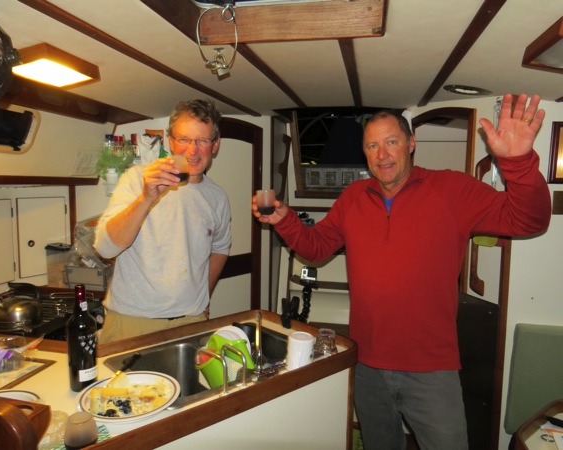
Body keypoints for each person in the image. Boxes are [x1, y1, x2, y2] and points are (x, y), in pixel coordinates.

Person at [252, 93, 551, 450]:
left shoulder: (452, 189)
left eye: (391, 142)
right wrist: (284, 220)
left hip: (432, 369)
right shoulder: (353, 197)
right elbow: (316, 248)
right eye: (372, 146)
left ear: (411, 143)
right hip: (367, 364)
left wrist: (518, 163)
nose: (382, 154)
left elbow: (529, 219)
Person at [95, 99, 231, 344]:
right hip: (131, 321)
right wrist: (146, 197)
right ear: (170, 142)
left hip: (190, 321)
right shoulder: (137, 179)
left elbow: (220, 248)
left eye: (202, 140)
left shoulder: (218, 197)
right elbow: (105, 248)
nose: (192, 150)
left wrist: (204, 298)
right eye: (184, 139)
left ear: (215, 145)